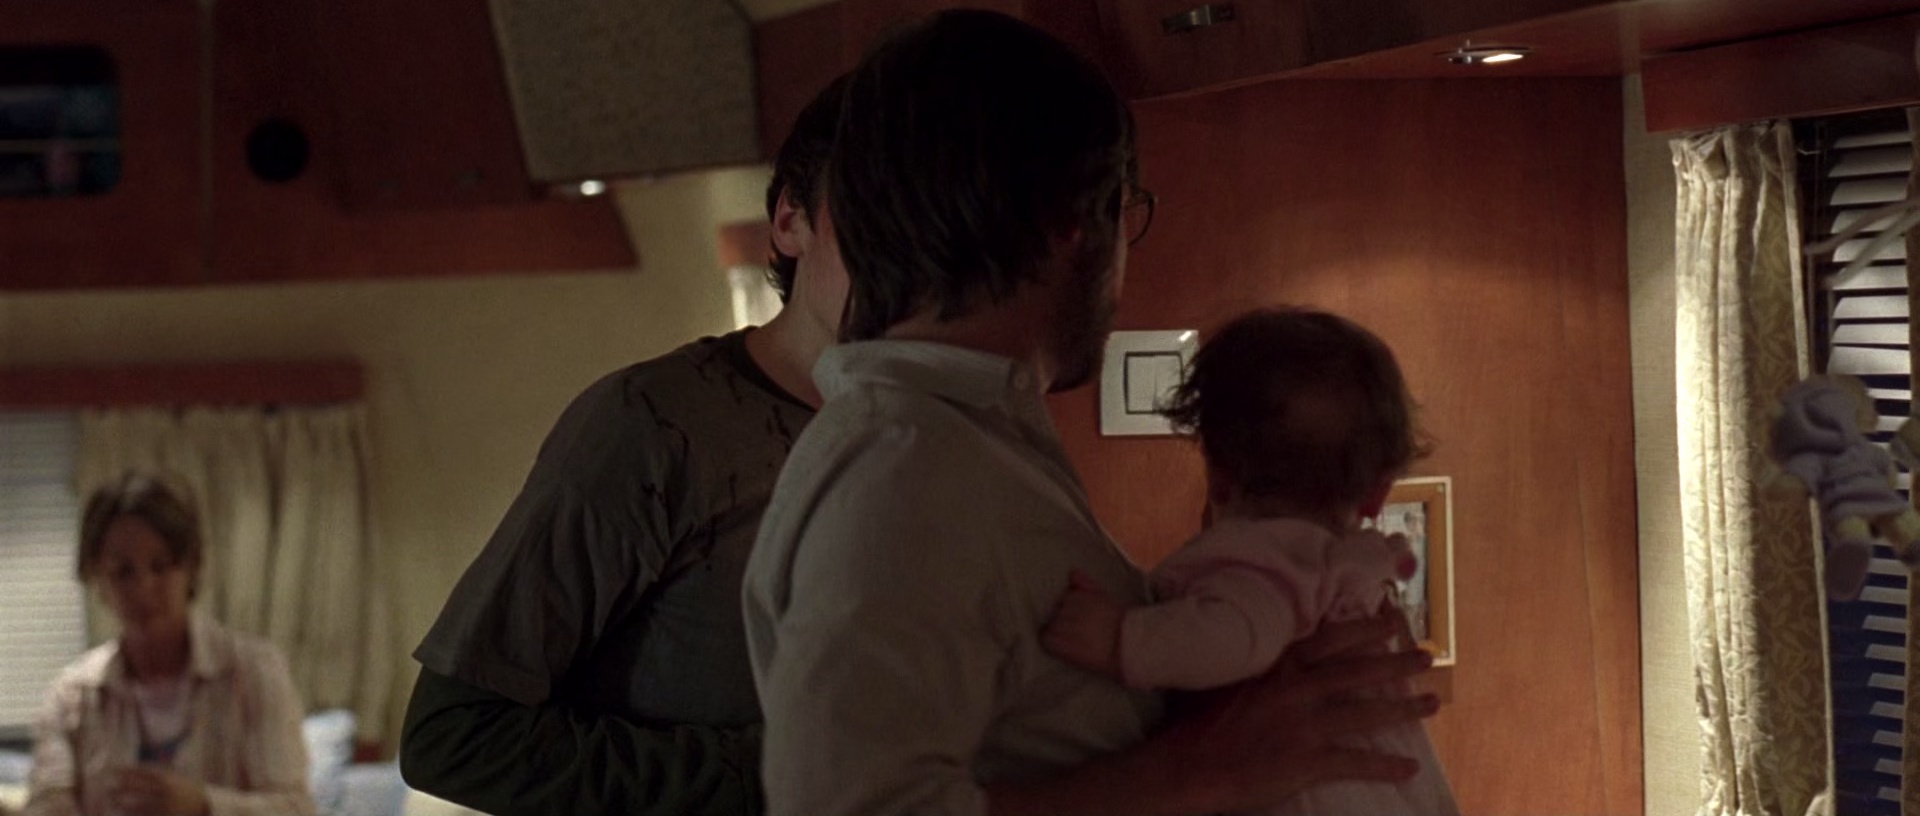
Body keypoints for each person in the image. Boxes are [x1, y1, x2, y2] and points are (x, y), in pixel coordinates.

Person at [743, 11, 1439, 816]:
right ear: (1071, 221)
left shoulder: (962, 448)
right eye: (1124, 211)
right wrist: (1202, 769)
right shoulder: (903, 475)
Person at [396, 78, 850, 815]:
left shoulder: (952, 437)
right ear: (790, 220)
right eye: (882, 226)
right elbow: (453, 737)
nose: (919, 264)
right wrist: (776, 774)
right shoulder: (654, 427)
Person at [1041, 307, 1460, 815]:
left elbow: (1238, 638)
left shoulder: (1268, 560)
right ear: (1378, 495)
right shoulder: (1342, 570)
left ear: (1219, 476)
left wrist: (1120, 639)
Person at [26, 473, 313, 816]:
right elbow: (48, 803)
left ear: (190, 568)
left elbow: (296, 808)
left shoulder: (253, 673)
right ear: (97, 580)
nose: (143, 588)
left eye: (161, 567)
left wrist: (204, 805)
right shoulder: (71, 697)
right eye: (123, 572)